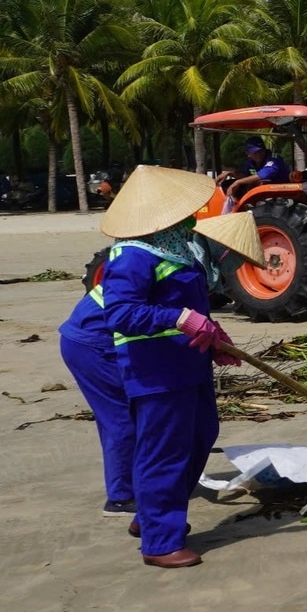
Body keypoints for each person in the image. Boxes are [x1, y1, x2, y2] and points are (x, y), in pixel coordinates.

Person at [97, 167, 264, 568]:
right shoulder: (134, 254)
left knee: (202, 433)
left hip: (187, 362)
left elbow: (197, 307)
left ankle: (151, 516)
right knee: (164, 451)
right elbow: (121, 314)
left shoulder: (177, 247)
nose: (190, 216)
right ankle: (160, 541)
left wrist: (213, 339)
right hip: (155, 369)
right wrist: (179, 320)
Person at [57, 269, 136, 518]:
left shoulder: (163, 259)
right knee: (123, 418)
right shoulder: (144, 262)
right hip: (92, 344)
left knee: (121, 417)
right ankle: (121, 498)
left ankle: (137, 482)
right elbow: (137, 316)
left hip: (95, 338)